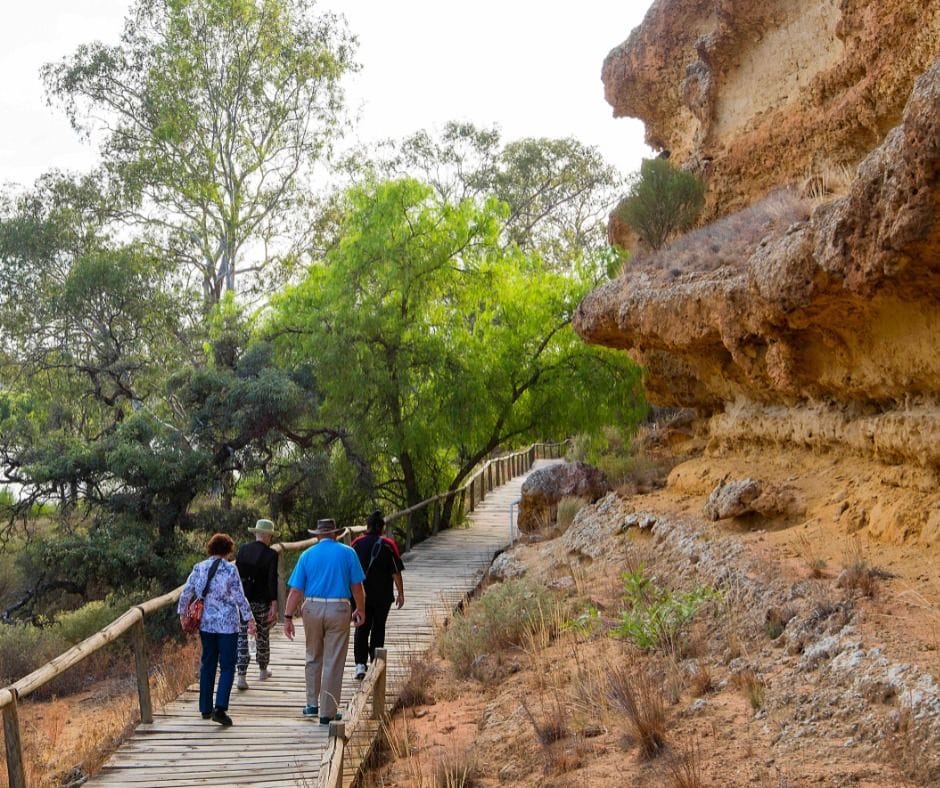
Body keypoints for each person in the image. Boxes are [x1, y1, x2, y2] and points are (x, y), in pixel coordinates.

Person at [283, 518, 365, 724]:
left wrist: (287, 617)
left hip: (312, 607)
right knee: (333, 660)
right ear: (335, 534)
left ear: (317, 535)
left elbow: (296, 590)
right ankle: (327, 712)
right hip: (339, 607)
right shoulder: (348, 553)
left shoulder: (306, 555)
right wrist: (360, 609)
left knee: (312, 655)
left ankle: (312, 704)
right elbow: (357, 587)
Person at [177, 532, 255, 726]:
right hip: (228, 624)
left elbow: (187, 592)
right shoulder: (230, 570)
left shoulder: (199, 568)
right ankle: (220, 708)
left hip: (207, 624)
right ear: (228, 550)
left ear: (211, 548)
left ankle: (205, 708)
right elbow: (239, 596)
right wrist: (249, 618)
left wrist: (183, 613)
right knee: (228, 665)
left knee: (208, 663)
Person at [351, 510, 404, 680]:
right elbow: (396, 572)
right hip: (383, 595)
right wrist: (400, 593)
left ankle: (360, 664)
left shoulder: (356, 544)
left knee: (361, 627)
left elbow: (348, 571)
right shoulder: (388, 545)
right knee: (378, 627)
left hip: (360, 595)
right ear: (382, 527)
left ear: (367, 526)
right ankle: (375, 661)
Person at [234, 518, 279, 690]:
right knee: (262, 633)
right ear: (268, 536)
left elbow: (236, 578)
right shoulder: (271, 554)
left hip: (243, 600)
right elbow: (271, 581)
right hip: (262, 600)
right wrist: (274, 604)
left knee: (243, 636)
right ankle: (262, 669)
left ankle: (241, 676)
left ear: (256, 534)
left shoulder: (243, 550)